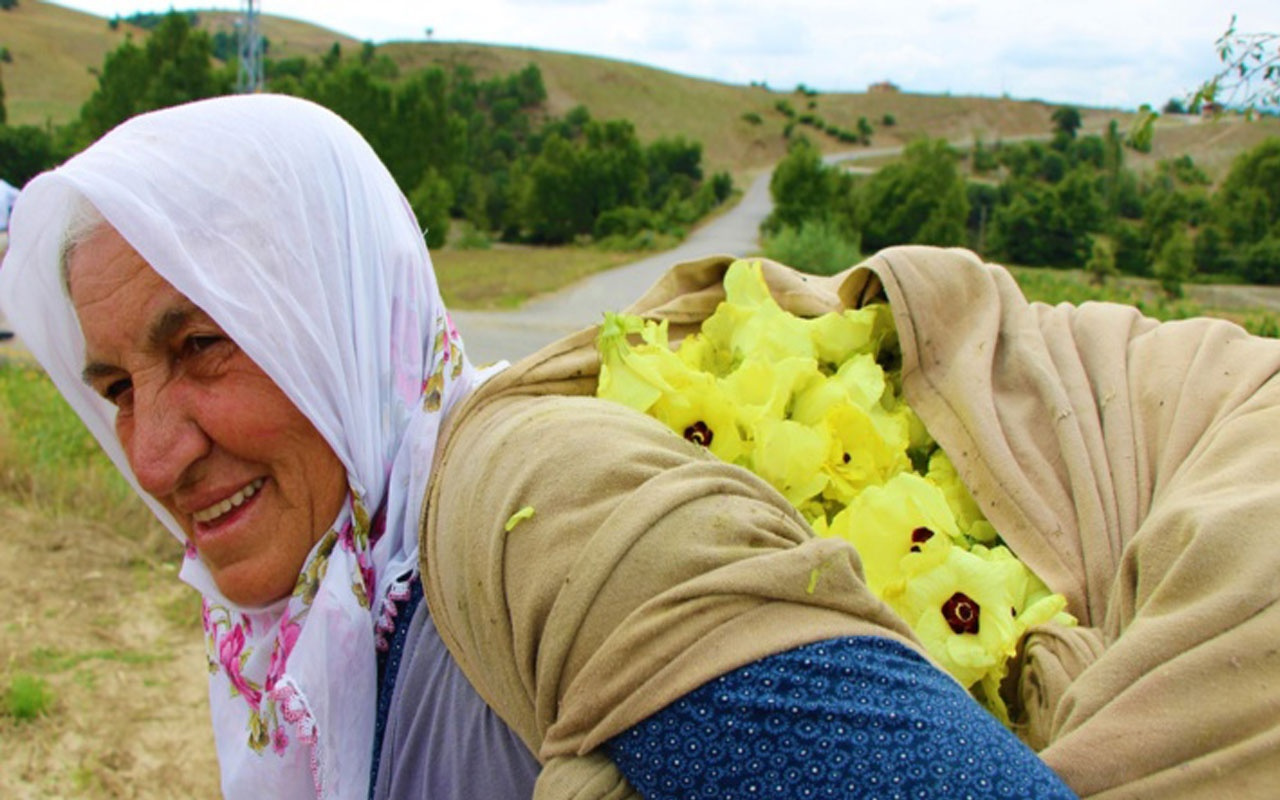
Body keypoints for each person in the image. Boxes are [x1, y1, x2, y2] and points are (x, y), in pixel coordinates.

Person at [0, 93, 1274, 799]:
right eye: (113, 383)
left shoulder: (523, 518)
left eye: (206, 344)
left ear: (331, 314)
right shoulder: (321, 615)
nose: (154, 451)